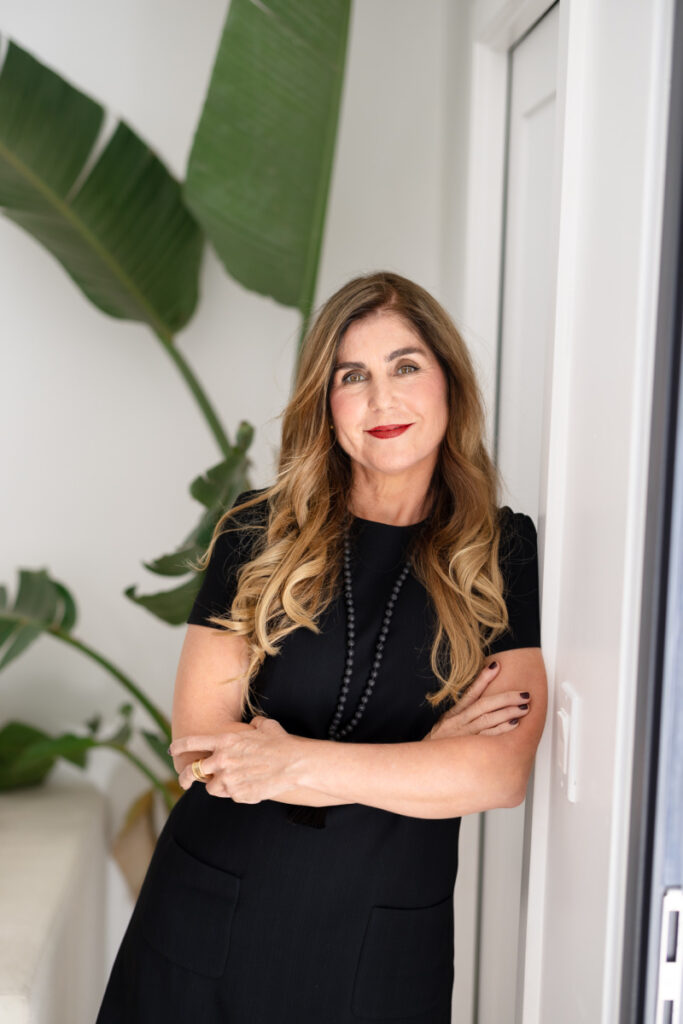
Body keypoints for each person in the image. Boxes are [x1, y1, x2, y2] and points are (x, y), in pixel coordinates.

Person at [95, 270, 547, 1023]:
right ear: (326, 403)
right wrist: (425, 758)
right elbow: (202, 750)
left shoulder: (501, 549)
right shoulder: (256, 531)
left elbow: (497, 773)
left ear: (448, 386)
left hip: (383, 939)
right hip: (213, 919)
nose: (381, 399)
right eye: (352, 376)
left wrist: (286, 762)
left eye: (405, 366)